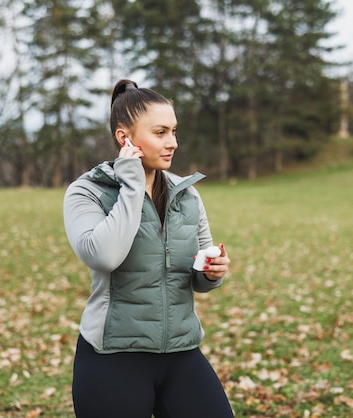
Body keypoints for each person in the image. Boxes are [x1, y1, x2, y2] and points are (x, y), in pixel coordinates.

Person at [63, 79, 234, 417]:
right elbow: (104, 256)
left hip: (181, 351)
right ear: (124, 138)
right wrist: (132, 185)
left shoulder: (186, 194)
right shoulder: (87, 192)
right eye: (160, 133)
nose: (172, 143)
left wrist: (212, 272)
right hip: (113, 354)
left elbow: (198, 277)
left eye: (173, 131)